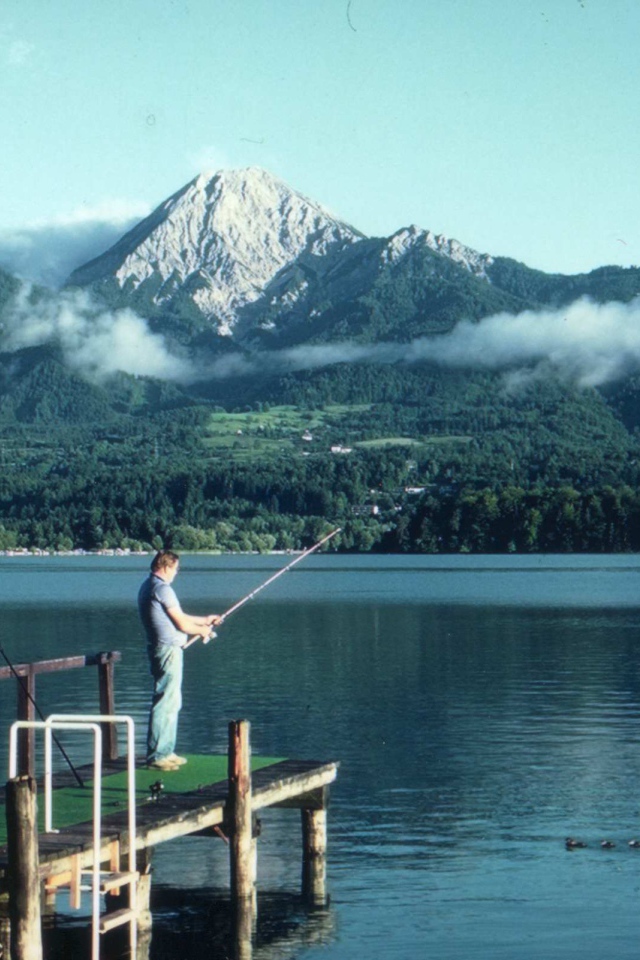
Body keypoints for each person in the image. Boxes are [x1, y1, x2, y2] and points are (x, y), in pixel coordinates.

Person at [138, 550, 221, 771]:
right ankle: (157, 755)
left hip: (164, 649)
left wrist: (205, 621)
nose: (177, 573)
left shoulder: (149, 586)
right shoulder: (163, 589)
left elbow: (181, 617)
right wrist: (203, 631)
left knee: (172, 701)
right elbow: (183, 626)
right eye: (176, 568)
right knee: (166, 700)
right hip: (168, 650)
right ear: (166, 567)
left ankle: (166, 750)